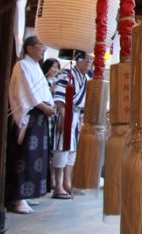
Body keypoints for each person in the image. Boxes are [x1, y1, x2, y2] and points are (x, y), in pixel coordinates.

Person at [6, 36, 55, 214]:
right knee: (25, 156)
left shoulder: (35, 66)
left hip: (40, 115)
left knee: (38, 156)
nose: (43, 50)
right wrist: (43, 107)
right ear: (29, 48)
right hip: (31, 114)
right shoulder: (22, 65)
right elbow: (26, 91)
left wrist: (49, 106)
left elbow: (42, 91)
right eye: (41, 46)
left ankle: (29, 194)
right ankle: (18, 198)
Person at [51, 52, 91, 199]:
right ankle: (58, 185)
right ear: (78, 61)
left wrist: (81, 120)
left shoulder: (86, 78)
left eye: (90, 61)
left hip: (76, 115)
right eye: (86, 60)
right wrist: (64, 117)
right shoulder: (67, 74)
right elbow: (59, 98)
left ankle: (68, 183)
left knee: (72, 151)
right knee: (62, 147)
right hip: (65, 112)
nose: (89, 63)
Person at [41, 58, 61, 190]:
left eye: (57, 67)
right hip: (45, 115)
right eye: (53, 67)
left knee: (53, 147)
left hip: (55, 116)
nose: (55, 70)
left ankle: (52, 178)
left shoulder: (57, 81)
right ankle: (50, 178)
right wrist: (51, 90)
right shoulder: (42, 81)